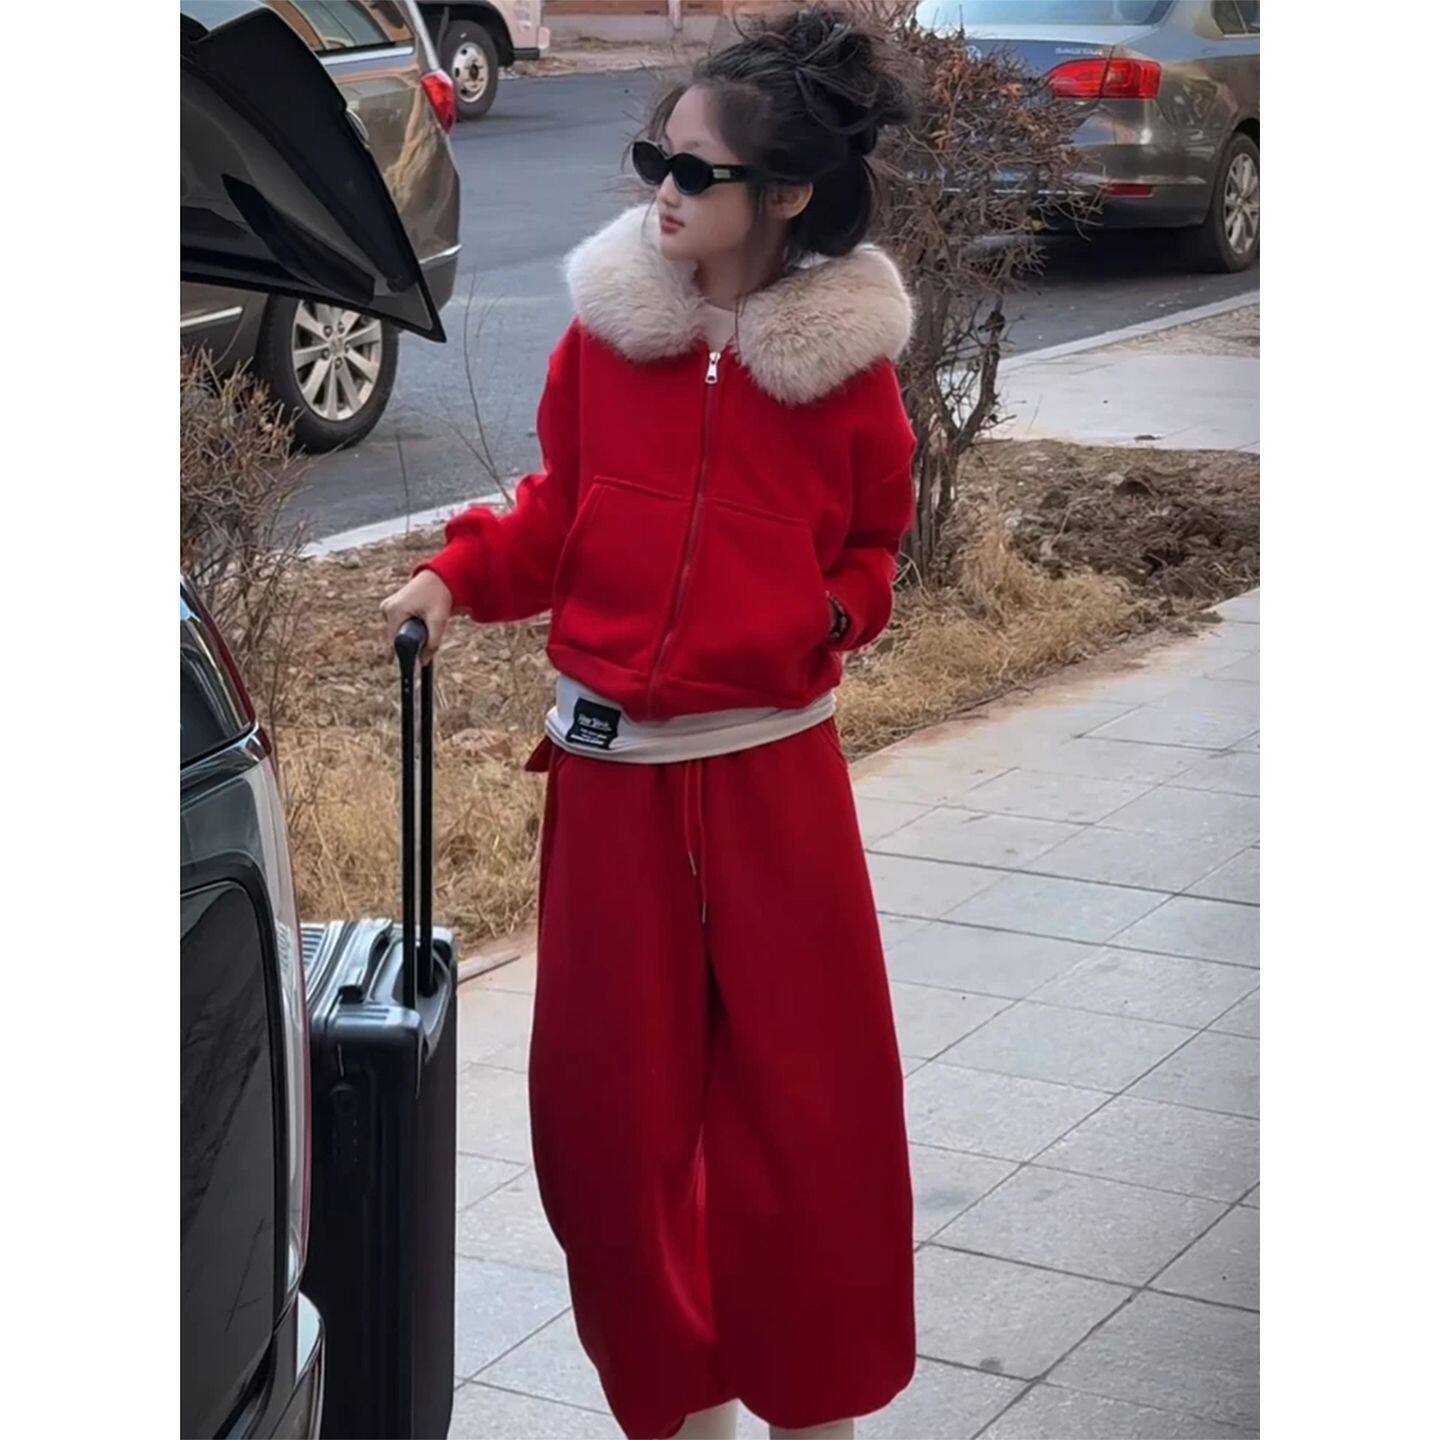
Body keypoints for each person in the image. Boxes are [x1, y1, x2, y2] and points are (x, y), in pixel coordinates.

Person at [381, 8, 919, 1437]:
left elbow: (874, 547)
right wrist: (457, 575)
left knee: (808, 1129)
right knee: (607, 1137)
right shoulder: (605, 342)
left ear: (786, 194)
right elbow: (560, 512)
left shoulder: (848, 377)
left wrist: (822, 622)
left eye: (693, 171)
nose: (660, 191)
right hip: (611, 791)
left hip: (773, 790)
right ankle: (678, 1405)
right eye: (653, 160)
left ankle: (812, 1404)